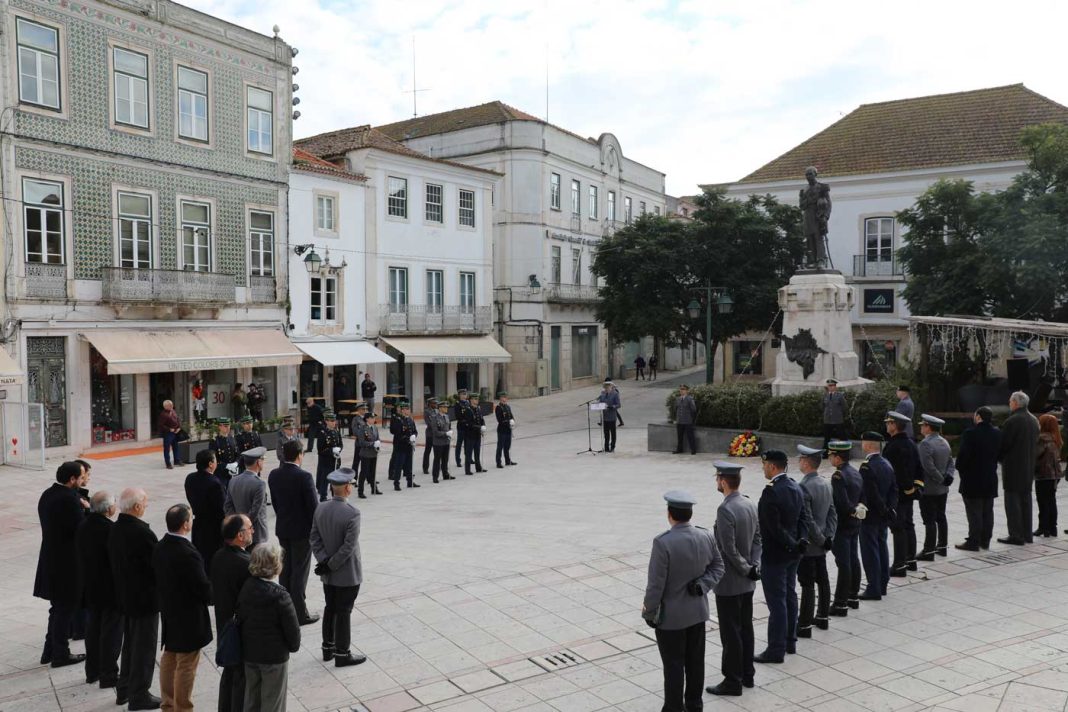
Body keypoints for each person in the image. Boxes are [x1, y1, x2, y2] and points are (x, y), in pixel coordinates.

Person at [642, 490, 724, 711]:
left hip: (671, 619)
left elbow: (655, 585)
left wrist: (649, 611)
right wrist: (703, 585)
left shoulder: (663, 543)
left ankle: (674, 706)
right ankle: (695, 703)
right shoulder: (705, 535)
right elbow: (718, 567)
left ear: (670, 514)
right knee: (696, 661)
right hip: (697, 612)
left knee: (673, 664)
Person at [152, 503, 213, 712]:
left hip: (170, 610)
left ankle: (168, 704)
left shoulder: (160, 546)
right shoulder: (187, 552)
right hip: (189, 615)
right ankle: (183, 708)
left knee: (169, 657)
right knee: (186, 663)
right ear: (186, 524)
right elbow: (201, 586)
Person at [708, 463, 760, 697]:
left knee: (731, 633)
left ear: (723, 481)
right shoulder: (749, 503)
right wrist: (754, 565)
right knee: (745, 628)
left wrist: (745, 568)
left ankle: (732, 680)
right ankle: (747, 674)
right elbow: (758, 539)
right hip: (748, 580)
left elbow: (727, 549)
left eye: (717, 478)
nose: (716, 482)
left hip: (730, 582)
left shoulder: (725, 509)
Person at [754, 450, 809, 663]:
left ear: (772, 466)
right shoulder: (795, 486)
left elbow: (772, 528)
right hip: (794, 553)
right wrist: (800, 541)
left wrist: (792, 544)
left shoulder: (771, 492)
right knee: (789, 595)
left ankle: (776, 649)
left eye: (764, 464)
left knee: (777, 602)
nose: (763, 468)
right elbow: (804, 518)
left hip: (776, 555)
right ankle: (790, 641)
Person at [109, 487, 161, 710]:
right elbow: (155, 566)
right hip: (144, 599)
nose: (146, 506)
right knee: (144, 647)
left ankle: (125, 688)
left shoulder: (116, 528)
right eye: (145, 503)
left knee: (130, 644)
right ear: (137, 506)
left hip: (125, 596)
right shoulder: (141, 533)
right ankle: (139, 694)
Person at [310, 469, 368, 668]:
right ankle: (343, 653)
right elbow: (348, 547)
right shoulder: (352, 513)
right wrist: (332, 564)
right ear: (347, 488)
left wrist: (324, 562)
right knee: (344, 611)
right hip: (346, 573)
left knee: (330, 607)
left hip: (328, 573)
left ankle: (328, 648)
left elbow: (314, 539)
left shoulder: (320, 508)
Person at [34, 460, 86, 668]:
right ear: (72, 479)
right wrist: (88, 511)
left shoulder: (48, 494)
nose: (82, 481)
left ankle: (50, 650)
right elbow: (80, 530)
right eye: (81, 477)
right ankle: (60, 654)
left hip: (51, 557)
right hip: (66, 563)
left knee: (57, 608)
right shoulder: (68, 499)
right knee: (64, 608)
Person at [238, 544, 301, 712]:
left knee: (252, 701)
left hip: (251, 654)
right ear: (275, 565)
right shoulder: (281, 596)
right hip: (274, 658)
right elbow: (293, 633)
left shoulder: (247, 586)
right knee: (273, 703)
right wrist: (292, 646)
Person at [268, 440, 320, 625]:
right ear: (299, 455)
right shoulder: (304, 476)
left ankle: (285, 608)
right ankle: (299, 613)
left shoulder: (274, 475)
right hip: (301, 531)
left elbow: (275, 502)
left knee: (286, 570)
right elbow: (314, 507)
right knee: (299, 572)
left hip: (284, 528)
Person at [78, 491, 122, 689]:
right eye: (114, 503)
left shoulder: (84, 525)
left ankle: (92, 670)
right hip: (110, 588)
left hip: (90, 586)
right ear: (108, 509)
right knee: (111, 632)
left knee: (93, 628)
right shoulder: (110, 529)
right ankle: (109, 674)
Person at [211, 515, 253, 712]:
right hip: (241, 630)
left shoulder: (219, 556)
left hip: (225, 624)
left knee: (229, 674)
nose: (252, 531)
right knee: (241, 678)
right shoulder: (245, 563)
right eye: (250, 528)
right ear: (240, 535)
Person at [796, 445, 837, 638]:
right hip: (822, 542)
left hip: (811, 544)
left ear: (805, 462)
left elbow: (807, 519)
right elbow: (832, 513)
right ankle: (822, 616)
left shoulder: (804, 486)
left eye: (800, 459)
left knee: (807, 583)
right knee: (823, 579)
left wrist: (820, 539)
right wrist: (829, 537)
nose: (799, 462)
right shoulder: (825, 483)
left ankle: (804, 624)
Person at [954, 407, 1001, 550]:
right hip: (990, 477)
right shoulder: (997, 433)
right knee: (988, 511)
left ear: (978, 417)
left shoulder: (970, 433)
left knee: (974, 511)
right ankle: (985, 540)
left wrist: (960, 468)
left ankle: (973, 541)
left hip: (972, 479)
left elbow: (962, 457)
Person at [858, 433, 896, 601]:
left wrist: (882, 509)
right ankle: (883, 583)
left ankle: (873, 587)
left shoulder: (867, 467)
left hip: (872, 515)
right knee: (882, 546)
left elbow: (871, 493)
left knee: (870, 551)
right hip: (884, 515)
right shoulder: (887, 463)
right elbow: (894, 490)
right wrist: (890, 509)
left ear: (868, 445)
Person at [998, 391, 1040, 545]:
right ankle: (1027, 534)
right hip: (1028, 465)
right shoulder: (1034, 420)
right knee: (1026, 501)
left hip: (1013, 467)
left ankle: (1016, 535)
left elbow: (1004, 445)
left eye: (1010, 401)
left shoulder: (1012, 421)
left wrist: (1000, 458)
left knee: (1012, 502)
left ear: (1015, 403)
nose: (1009, 403)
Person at [883, 411, 921, 577]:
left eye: (888, 423)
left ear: (894, 425)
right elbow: (919, 469)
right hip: (908, 493)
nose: (886, 425)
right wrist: (915, 488)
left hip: (898, 494)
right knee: (908, 525)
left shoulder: (893, 446)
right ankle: (910, 560)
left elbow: (898, 472)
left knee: (898, 528)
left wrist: (906, 488)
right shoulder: (911, 443)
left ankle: (899, 565)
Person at [827, 441, 863, 616]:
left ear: (838, 457)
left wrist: (850, 511)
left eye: (831, 455)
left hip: (842, 524)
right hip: (855, 522)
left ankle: (840, 603)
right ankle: (853, 596)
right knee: (853, 559)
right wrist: (856, 512)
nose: (829, 458)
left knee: (843, 563)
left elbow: (841, 503)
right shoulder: (855, 472)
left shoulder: (838, 476)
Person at [917, 414, 954, 560]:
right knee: (941, 516)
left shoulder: (925, 444)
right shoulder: (944, 441)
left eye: (922, 425)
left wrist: (940, 479)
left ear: (928, 427)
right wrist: (948, 477)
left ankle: (929, 550)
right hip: (942, 489)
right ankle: (942, 546)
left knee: (929, 520)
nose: (920, 427)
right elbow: (951, 461)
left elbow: (928, 467)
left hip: (930, 488)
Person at [184, 449, 225, 573]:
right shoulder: (215, 483)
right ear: (211, 464)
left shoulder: (190, 478)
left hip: (198, 524)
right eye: (215, 460)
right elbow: (221, 508)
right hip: (214, 527)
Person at [225, 447, 269, 547]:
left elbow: (227, 506)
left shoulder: (233, 480)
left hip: (238, 532)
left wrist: (237, 525)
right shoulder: (259, 484)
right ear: (258, 462)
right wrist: (245, 526)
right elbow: (255, 510)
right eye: (263, 460)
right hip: (256, 532)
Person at [1035, 413, 1062, 537]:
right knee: (1051, 501)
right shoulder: (1057, 438)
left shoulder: (1041, 438)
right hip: (1055, 474)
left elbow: (1036, 454)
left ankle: (1043, 528)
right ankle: (1053, 528)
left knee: (1043, 502)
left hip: (1043, 474)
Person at [389, 400, 421, 488]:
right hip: (401, 446)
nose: (408, 411)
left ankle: (410, 482)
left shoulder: (410, 419)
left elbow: (414, 431)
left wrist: (414, 436)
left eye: (408, 409)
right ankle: (396, 483)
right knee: (399, 465)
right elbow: (398, 434)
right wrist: (408, 439)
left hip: (409, 446)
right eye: (406, 409)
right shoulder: (398, 420)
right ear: (402, 410)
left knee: (409, 465)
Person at [316, 411, 343, 501]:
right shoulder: (323, 433)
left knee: (335, 480)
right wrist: (331, 450)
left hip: (335, 460)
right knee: (325, 480)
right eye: (331, 421)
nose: (333, 423)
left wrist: (339, 449)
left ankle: (335, 495)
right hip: (326, 461)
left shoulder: (336, 432)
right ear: (326, 421)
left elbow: (340, 444)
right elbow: (320, 449)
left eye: (334, 421)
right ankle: (323, 497)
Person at [357, 411, 384, 496]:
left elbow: (378, 438)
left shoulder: (375, 427)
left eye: (374, 418)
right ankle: (360, 491)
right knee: (364, 473)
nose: (373, 419)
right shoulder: (362, 428)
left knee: (373, 472)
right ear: (367, 419)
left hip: (373, 453)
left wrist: (378, 444)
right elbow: (361, 442)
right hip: (365, 453)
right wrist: (372, 444)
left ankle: (374, 489)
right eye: (372, 418)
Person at [461, 393, 488, 475]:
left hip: (477, 434)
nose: (477, 400)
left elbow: (481, 419)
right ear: (471, 400)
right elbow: (469, 424)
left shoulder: (478, 409)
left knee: (477, 452)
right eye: (475, 399)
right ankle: (467, 470)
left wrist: (483, 427)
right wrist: (479, 427)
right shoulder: (468, 410)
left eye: (477, 399)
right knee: (469, 453)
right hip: (470, 435)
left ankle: (478, 467)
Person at [210, 418, 239, 490]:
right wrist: (226, 465)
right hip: (220, 473)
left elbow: (238, 454)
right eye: (225, 426)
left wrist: (236, 463)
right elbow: (212, 458)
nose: (228, 428)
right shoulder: (215, 441)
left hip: (233, 472)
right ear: (219, 427)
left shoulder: (232, 438)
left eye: (229, 425)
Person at [821, 379, 847, 453]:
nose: (831, 387)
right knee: (827, 438)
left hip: (837, 420)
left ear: (835, 387)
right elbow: (822, 406)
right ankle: (825, 453)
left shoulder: (839, 396)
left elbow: (844, 407)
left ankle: (845, 452)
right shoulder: (825, 395)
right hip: (827, 420)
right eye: (829, 386)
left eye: (832, 386)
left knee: (842, 437)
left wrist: (839, 414)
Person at [157, 400, 183, 470]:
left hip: (175, 432)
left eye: (172, 404)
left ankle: (177, 460)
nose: (171, 406)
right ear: (165, 406)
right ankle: (168, 463)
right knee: (167, 448)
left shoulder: (173, 411)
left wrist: (179, 427)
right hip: (168, 433)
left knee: (176, 447)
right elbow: (160, 425)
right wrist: (169, 429)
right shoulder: (163, 414)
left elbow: (178, 419)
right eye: (170, 405)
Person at [494, 392, 517, 468]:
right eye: (503, 397)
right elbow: (499, 420)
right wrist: (508, 422)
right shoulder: (498, 407)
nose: (504, 399)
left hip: (508, 430)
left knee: (507, 446)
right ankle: (498, 462)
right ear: (500, 398)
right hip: (502, 430)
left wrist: (513, 421)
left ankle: (508, 461)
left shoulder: (508, 407)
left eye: (505, 397)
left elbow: (511, 416)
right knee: (500, 446)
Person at [673, 384, 697, 455]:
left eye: (683, 389)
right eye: (680, 389)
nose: (681, 390)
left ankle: (693, 450)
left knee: (690, 436)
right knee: (679, 437)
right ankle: (679, 449)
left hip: (687, 421)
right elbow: (676, 409)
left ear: (686, 391)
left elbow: (693, 409)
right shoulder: (678, 399)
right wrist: (676, 419)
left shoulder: (690, 399)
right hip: (680, 421)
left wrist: (690, 418)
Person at [598, 379, 621, 453]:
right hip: (605, 416)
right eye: (605, 386)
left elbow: (618, 405)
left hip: (612, 416)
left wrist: (612, 407)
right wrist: (599, 404)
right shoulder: (602, 393)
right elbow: (600, 401)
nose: (607, 388)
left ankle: (612, 447)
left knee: (613, 433)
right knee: (606, 433)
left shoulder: (615, 394)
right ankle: (606, 447)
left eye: (608, 386)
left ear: (611, 386)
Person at [453, 389, 470, 468]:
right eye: (462, 394)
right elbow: (458, 416)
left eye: (465, 394)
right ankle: (458, 460)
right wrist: (466, 421)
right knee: (459, 444)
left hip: (468, 427)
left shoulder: (468, 403)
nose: (464, 396)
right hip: (461, 426)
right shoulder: (458, 404)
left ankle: (468, 458)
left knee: (468, 443)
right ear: (459, 395)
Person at [421, 397, 437, 475]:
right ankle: (425, 467)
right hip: (430, 434)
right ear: (430, 404)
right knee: (428, 451)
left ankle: (438, 466)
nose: (435, 404)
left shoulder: (436, 411)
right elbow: (429, 423)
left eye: (435, 403)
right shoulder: (427, 412)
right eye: (434, 403)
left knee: (437, 451)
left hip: (437, 434)